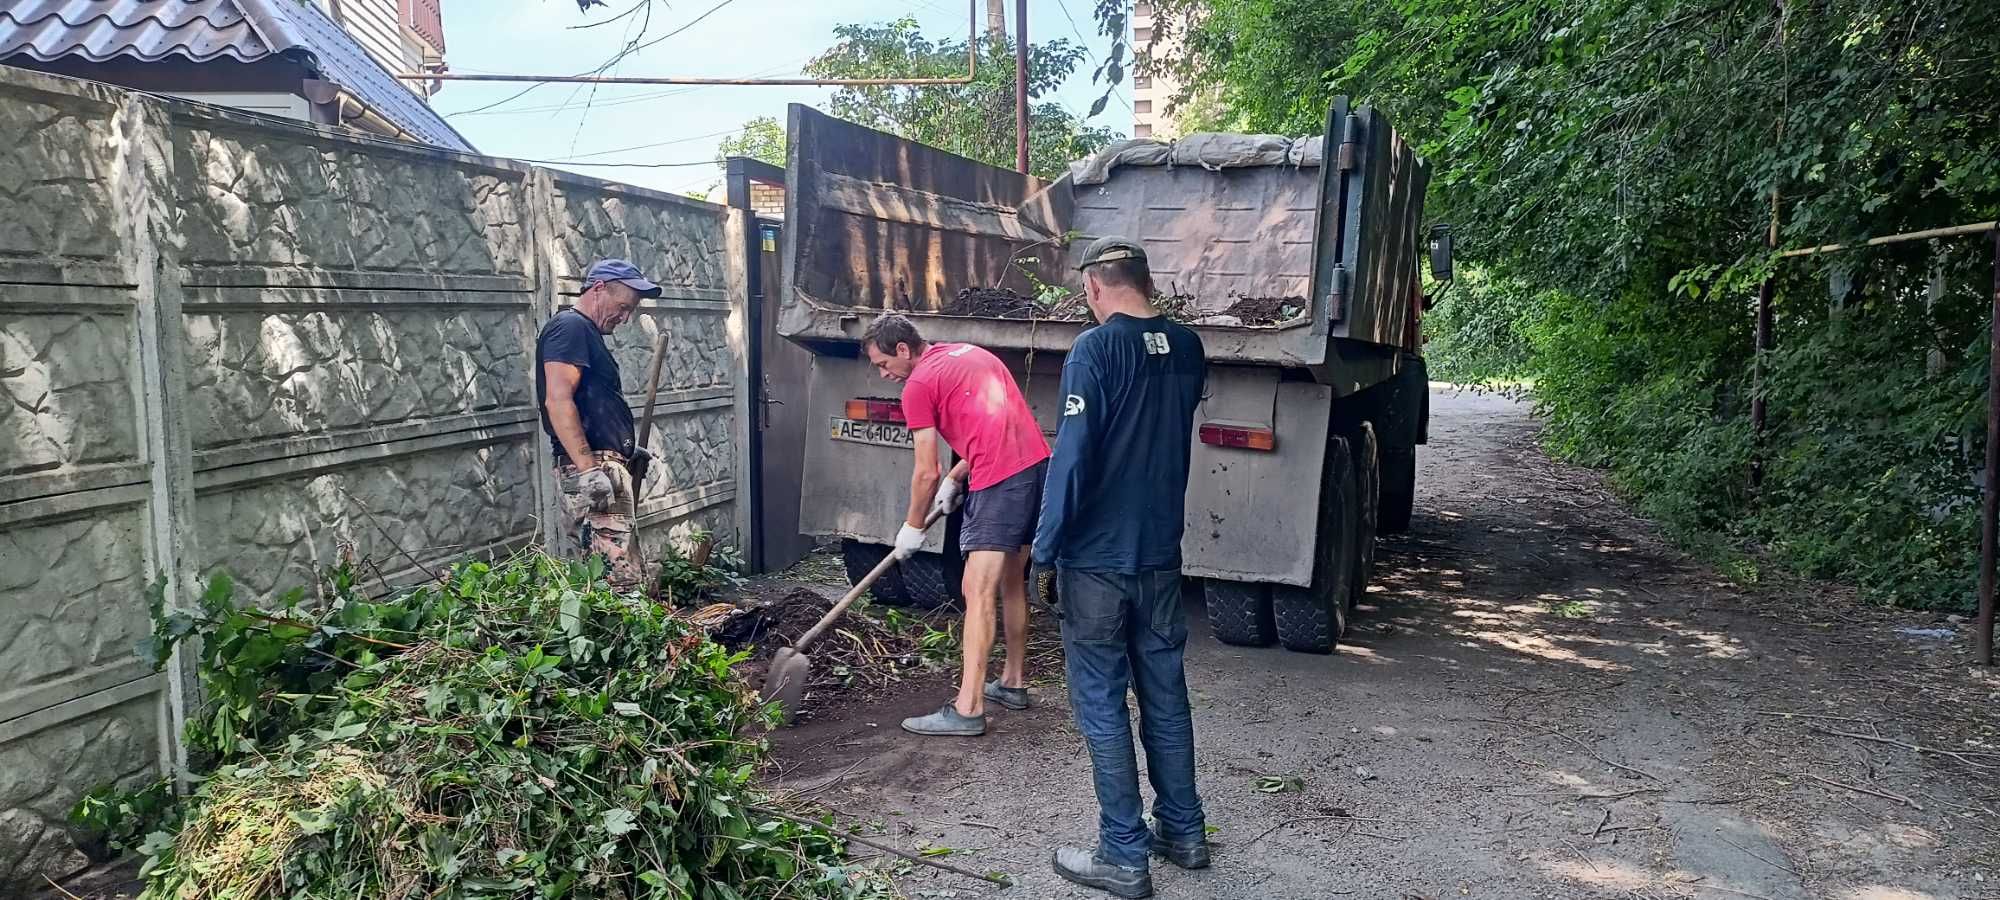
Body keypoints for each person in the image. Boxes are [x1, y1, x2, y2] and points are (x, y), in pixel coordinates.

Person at [1032, 237, 1209, 898]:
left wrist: (1046, 551)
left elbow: (1072, 460)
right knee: (1165, 692)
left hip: (1097, 564)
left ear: (1096, 288)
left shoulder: (1094, 350)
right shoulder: (1188, 348)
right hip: (1160, 557)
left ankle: (1122, 852)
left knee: (1102, 700)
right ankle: (1184, 832)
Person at [863, 314, 1051, 737]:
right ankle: (1013, 681)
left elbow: (924, 470)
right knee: (1011, 583)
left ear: (903, 350)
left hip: (1001, 480)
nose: (882, 373)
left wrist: (913, 527)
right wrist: (957, 475)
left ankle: (968, 709)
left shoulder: (918, 385)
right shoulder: (969, 355)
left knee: (977, 590)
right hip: (1036, 468)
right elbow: (999, 422)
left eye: (883, 363)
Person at [537, 258, 662, 593]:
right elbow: (558, 400)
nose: (625, 317)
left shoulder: (584, 333)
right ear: (598, 288)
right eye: (622, 307)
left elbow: (590, 404)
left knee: (620, 573)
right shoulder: (570, 327)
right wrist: (589, 468)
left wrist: (623, 447)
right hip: (593, 471)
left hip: (604, 465)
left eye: (630, 310)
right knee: (618, 581)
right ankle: (628, 644)